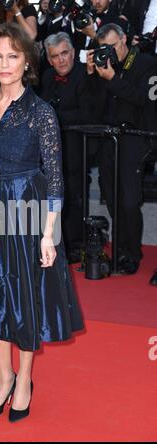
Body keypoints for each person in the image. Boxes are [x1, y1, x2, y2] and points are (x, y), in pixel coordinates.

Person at [0, 23, 84, 422]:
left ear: (27, 61)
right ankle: (4, 376)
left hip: (26, 204)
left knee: (25, 295)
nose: (4, 63)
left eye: (12, 55)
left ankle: (24, 378)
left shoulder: (40, 112)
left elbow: (55, 175)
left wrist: (49, 234)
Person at [86, 23, 157, 274]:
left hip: (136, 138)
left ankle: (132, 254)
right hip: (109, 138)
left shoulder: (146, 63)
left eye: (114, 46)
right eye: (104, 48)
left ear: (125, 38)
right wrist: (92, 75)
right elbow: (94, 105)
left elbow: (144, 100)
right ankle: (121, 249)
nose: (111, 52)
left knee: (129, 200)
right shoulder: (106, 67)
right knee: (112, 198)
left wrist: (113, 79)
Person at [41, 32, 92, 263]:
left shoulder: (85, 75)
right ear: (50, 60)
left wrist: (55, 116)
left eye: (64, 53)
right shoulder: (47, 77)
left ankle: (76, 246)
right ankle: (54, 241)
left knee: (73, 197)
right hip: (51, 152)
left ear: (73, 53)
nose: (61, 60)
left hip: (77, 150)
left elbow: (88, 113)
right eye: (55, 56)